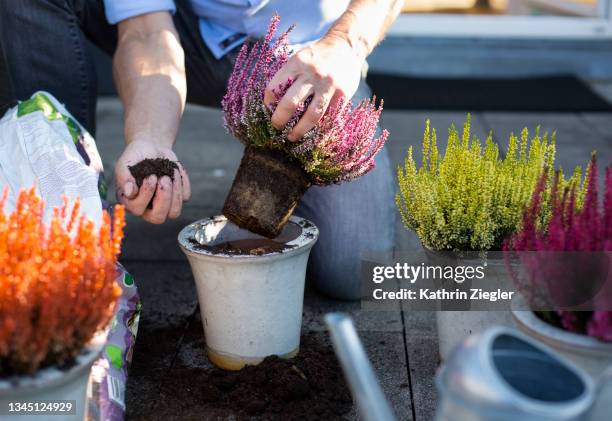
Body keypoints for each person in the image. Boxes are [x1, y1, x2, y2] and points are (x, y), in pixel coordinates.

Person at [0, 0, 402, 299]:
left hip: (311, 53)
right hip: (187, 34)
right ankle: (56, 222)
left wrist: (345, 44)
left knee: (352, 271)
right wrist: (151, 138)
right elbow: (145, 31)